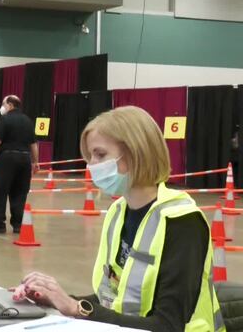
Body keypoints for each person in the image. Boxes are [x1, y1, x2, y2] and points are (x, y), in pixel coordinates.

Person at [13, 106, 224, 332]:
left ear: (135, 153)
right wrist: (55, 298)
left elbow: (168, 325)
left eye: (100, 154)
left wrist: (77, 308)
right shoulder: (118, 211)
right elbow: (114, 296)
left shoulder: (182, 222)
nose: (91, 164)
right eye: (90, 155)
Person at [0, 95, 39, 234]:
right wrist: (35, 162)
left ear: (10, 104)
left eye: (3, 103)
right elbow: (33, 144)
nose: (2, 107)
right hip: (25, 160)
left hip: (7, 159)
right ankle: (18, 225)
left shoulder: (4, 119)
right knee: (20, 192)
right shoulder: (28, 121)